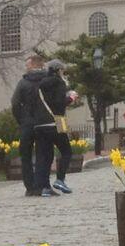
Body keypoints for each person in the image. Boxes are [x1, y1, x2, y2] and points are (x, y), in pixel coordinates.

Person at [10, 54, 56, 198]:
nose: (26, 67)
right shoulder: (50, 81)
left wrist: (22, 120)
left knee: (26, 155)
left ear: (32, 65)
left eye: (27, 65)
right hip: (45, 123)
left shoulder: (23, 83)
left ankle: (30, 187)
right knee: (45, 154)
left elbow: (15, 103)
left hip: (28, 123)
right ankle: (43, 184)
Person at [43, 59, 79, 194]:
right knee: (66, 151)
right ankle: (60, 179)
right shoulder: (59, 83)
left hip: (44, 120)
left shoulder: (42, 83)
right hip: (59, 119)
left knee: (46, 154)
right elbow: (59, 103)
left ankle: (45, 186)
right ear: (58, 70)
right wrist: (71, 98)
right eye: (62, 70)